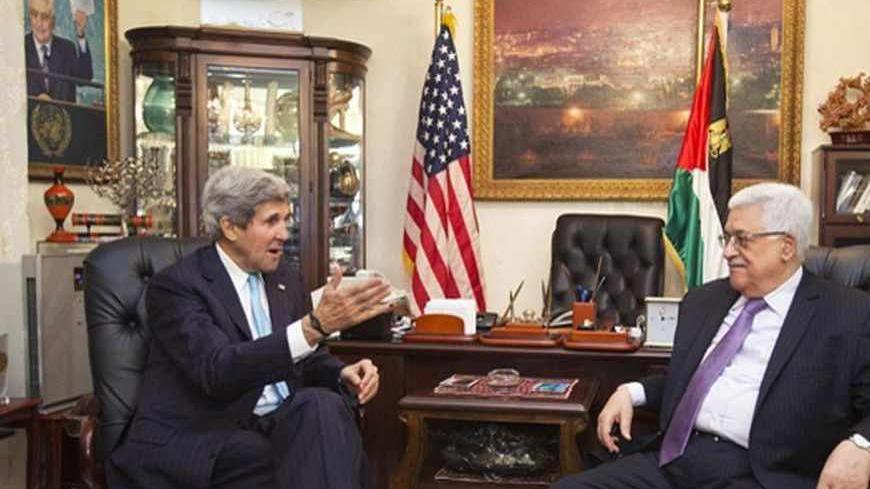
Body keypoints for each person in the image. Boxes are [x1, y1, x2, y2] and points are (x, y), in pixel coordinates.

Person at [553, 182, 870, 489]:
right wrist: (632, 391)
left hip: (760, 473)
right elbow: (690, 380)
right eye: (727, 238)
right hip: (675, 457)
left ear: (786, 247)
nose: (729, 251)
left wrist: (861, 444)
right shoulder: (704, 301)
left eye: (742, 240)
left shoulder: (848, 313)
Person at [106, 166, 395, 489]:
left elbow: (307, 357)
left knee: (323, 406)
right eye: (271, 221)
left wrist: (341, 373)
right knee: (322, 451)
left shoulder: (285, 277)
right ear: (230, 227)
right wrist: (314, 327)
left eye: (286, 219)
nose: (285, 233)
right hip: (207, 434)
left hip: (276, 421)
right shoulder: (177, 286)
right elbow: (217, 370)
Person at [24, 0, 94, 102]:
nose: (39, 24)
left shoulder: (67, 49)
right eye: (34, 15)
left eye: (45, 17)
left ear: (53, 21)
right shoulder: (21, 48)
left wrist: (81, 34)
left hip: (64, 116)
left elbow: (85, 78)